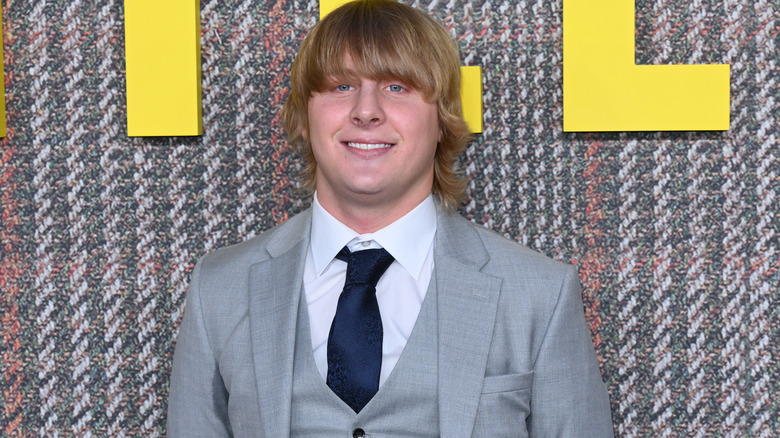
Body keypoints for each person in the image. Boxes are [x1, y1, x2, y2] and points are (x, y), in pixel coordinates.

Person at [167, 0, 614, 436]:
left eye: (397, 87)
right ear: (304, 115)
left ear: (442, 120)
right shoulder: (219, 289)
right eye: (341, 86)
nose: (366, 110)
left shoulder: (540, 295)